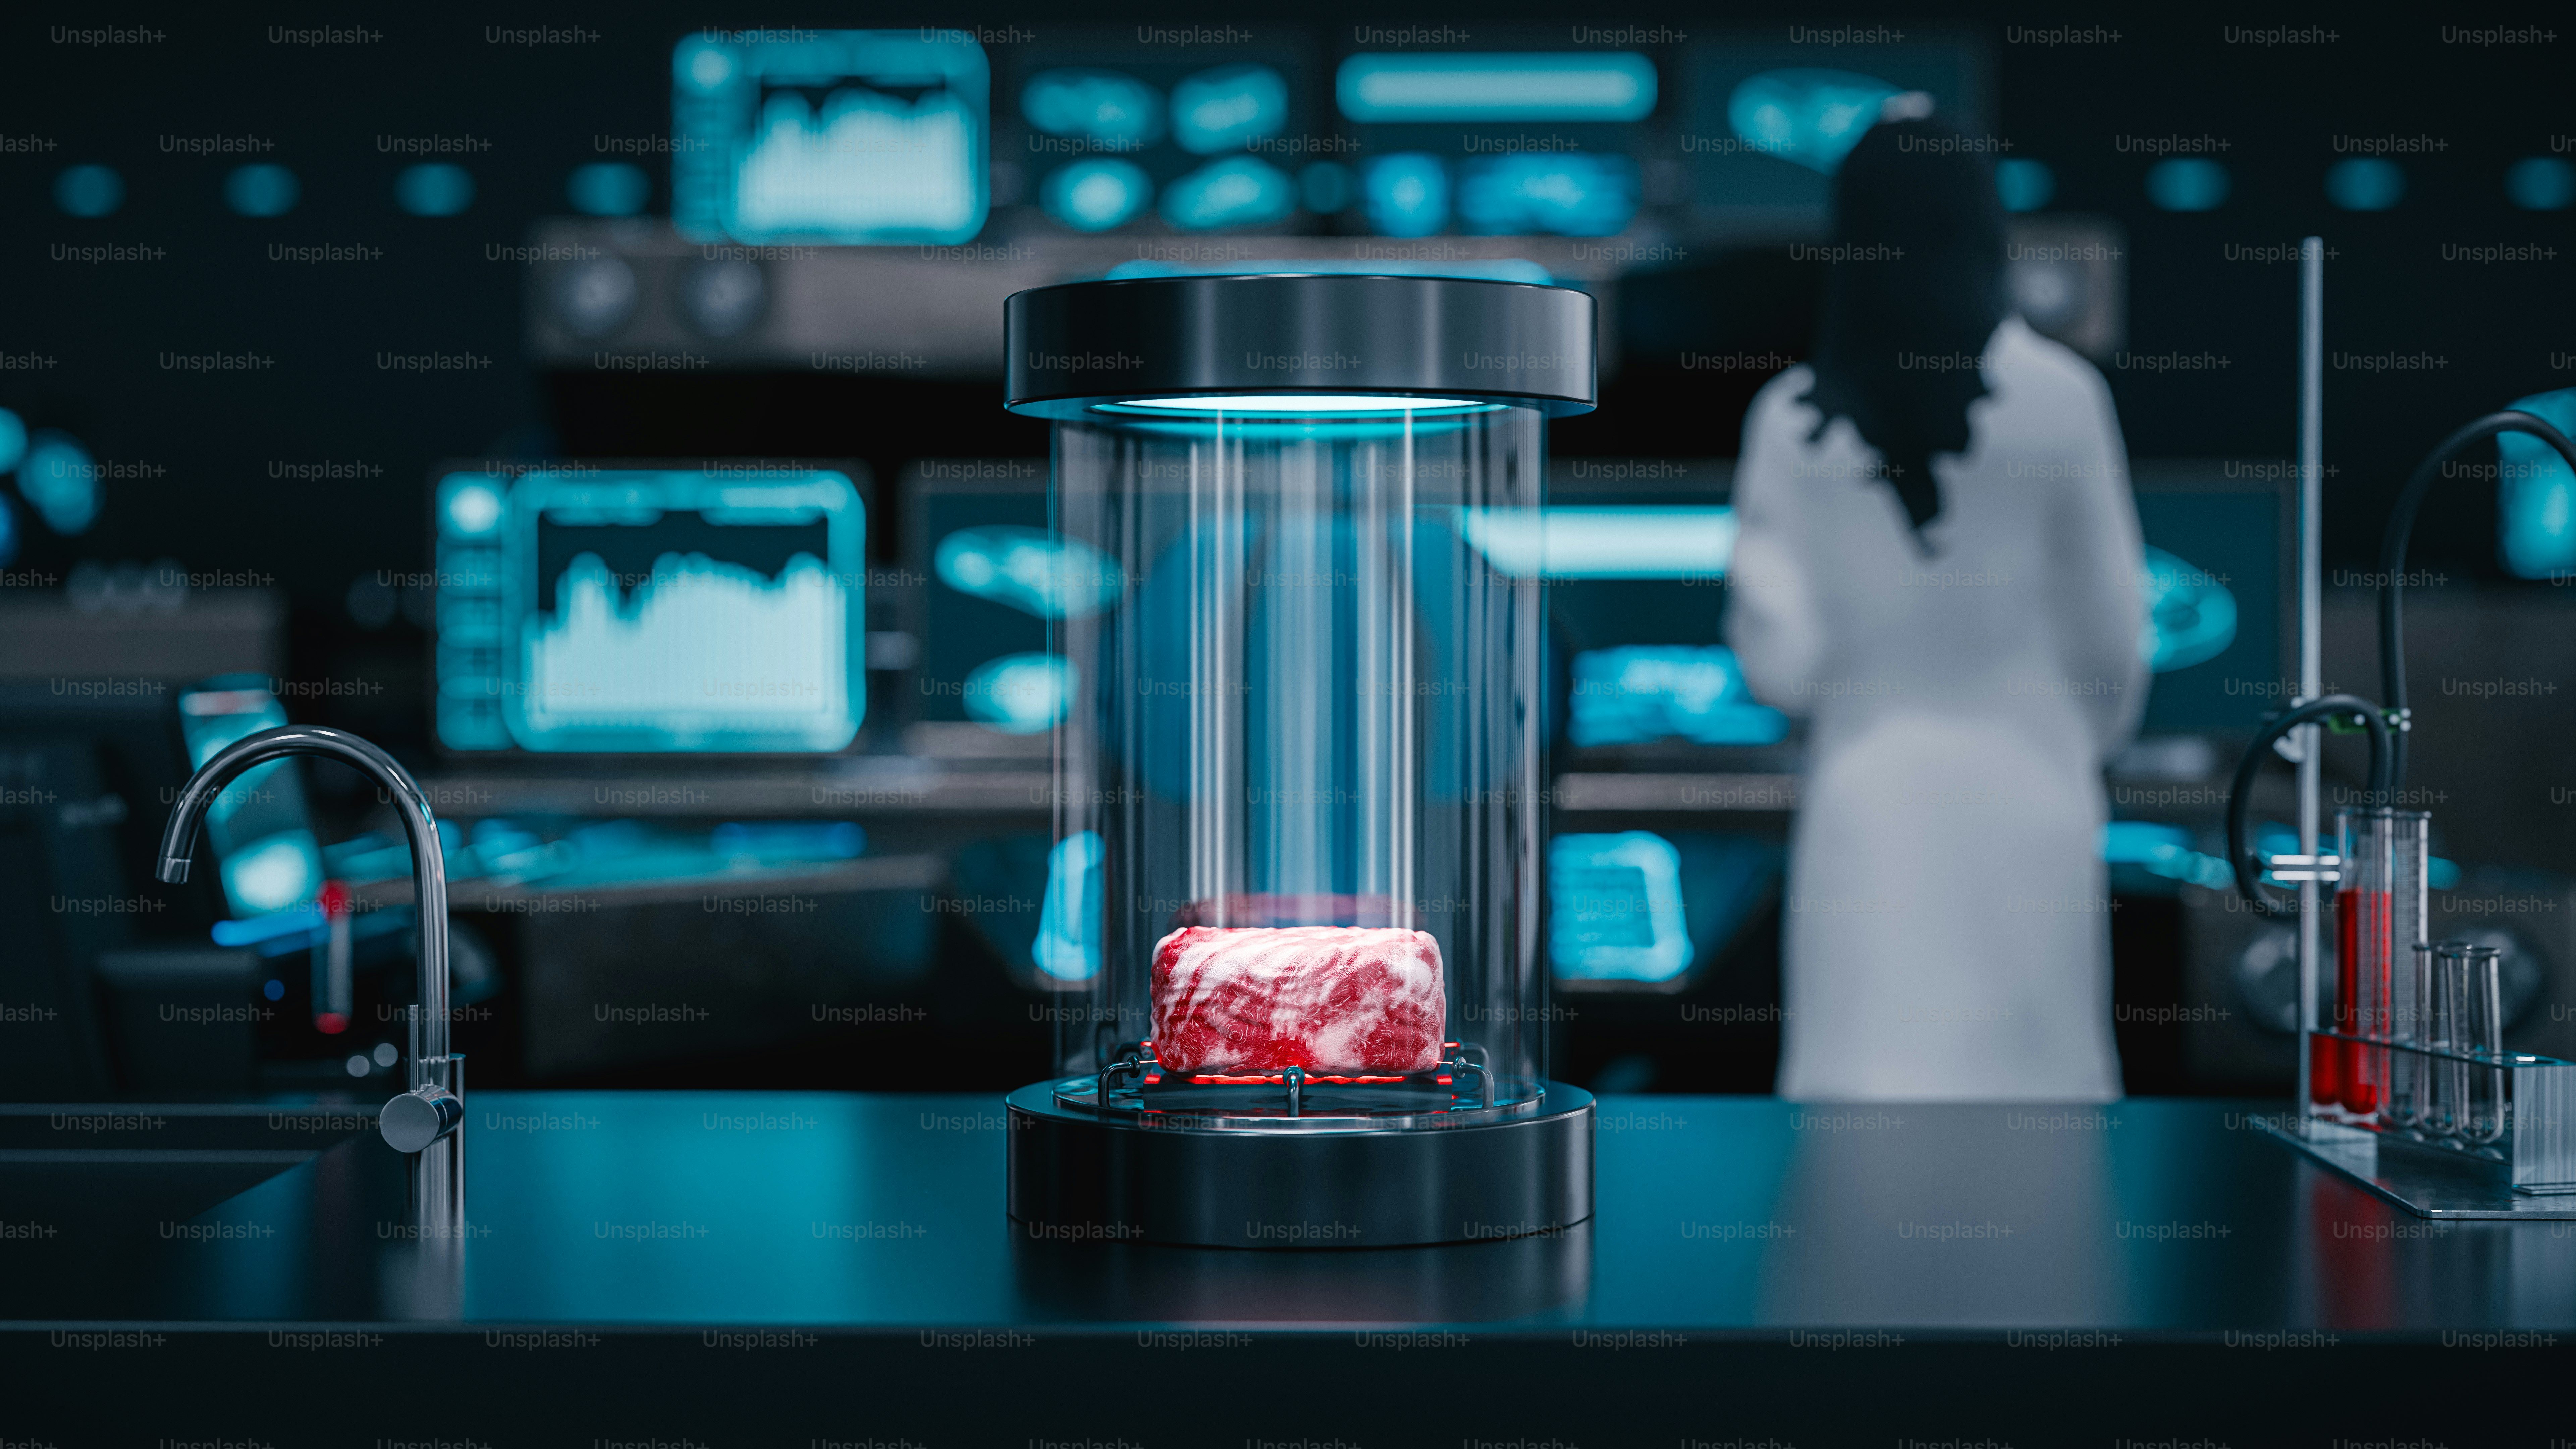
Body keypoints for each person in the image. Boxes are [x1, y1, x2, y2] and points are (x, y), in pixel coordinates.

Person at [1724, 118, 2146, 1102]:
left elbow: (1778, 664)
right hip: (2031, 795)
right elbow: (2113, 635)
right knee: (2044, 1141)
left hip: (1869, 806)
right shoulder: (2064, 398)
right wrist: (2079, 739)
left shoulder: (1788, 419)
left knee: (1859, 1127)